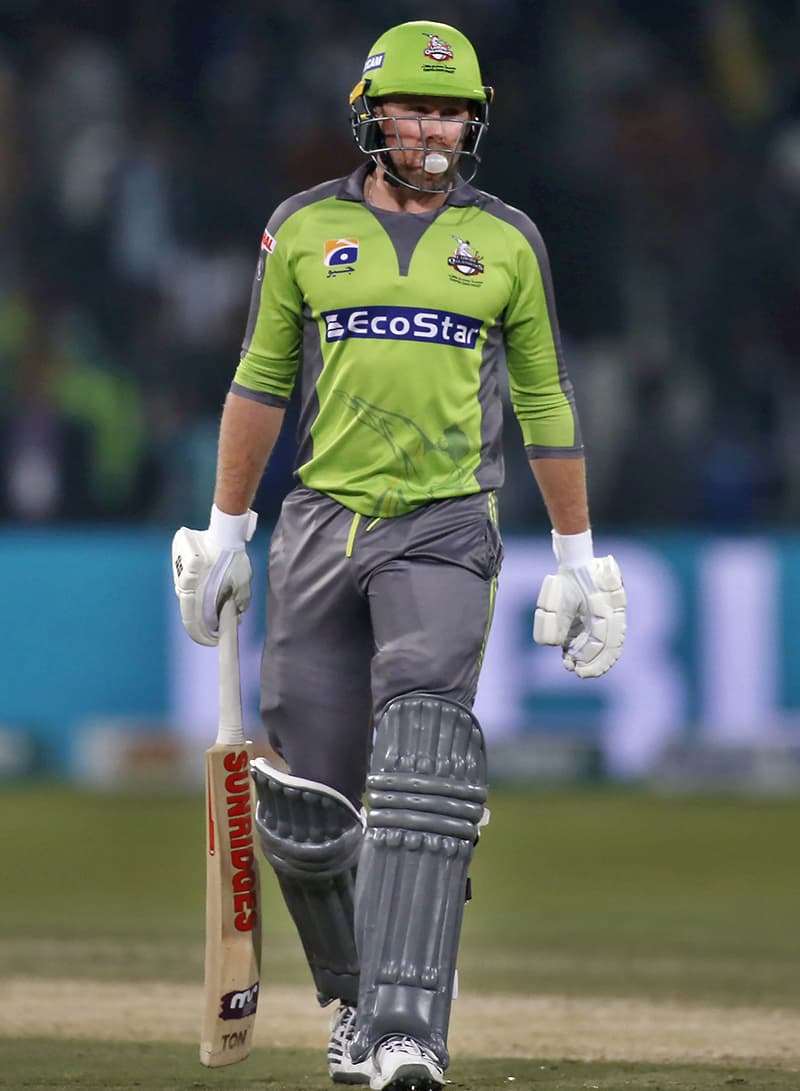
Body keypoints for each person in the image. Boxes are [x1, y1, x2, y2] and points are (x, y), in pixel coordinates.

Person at [172, 19, 626, 1091]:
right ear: (370, 115)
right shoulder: (302, 229)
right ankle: (356, 1005)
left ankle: (411, 1026)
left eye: (453, 110)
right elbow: (259, 383)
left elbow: (545, 398)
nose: (435, 128)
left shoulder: (507, 240)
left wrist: (577, 554)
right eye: (417, 108)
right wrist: (226, 530)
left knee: (422, 749)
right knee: (302, 802)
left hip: (444, 523)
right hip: (322, 523)